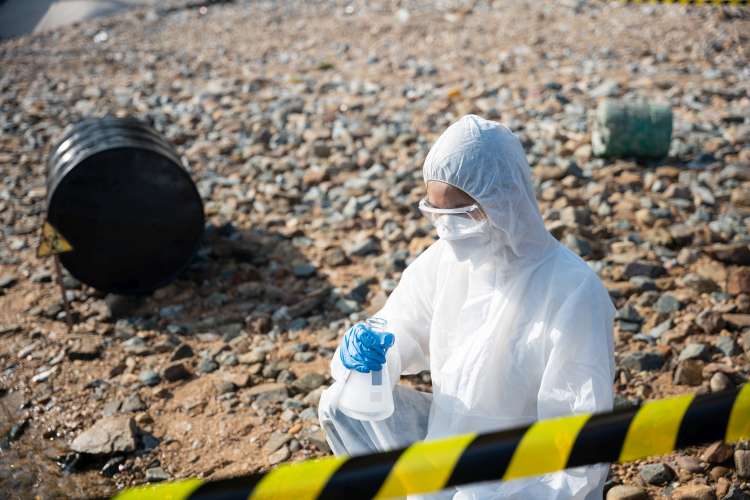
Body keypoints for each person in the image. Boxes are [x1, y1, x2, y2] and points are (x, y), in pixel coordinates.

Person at [318, 114, 615, 499]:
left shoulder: (571, 292)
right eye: (436, 214)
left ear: (503, 201)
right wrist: (377, 350)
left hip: (523, 477)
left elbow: (578, 447)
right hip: (450, 447)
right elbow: (402, 323)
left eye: (460, 215)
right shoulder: (446, 261)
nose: (446, 230)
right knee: (340, 404)